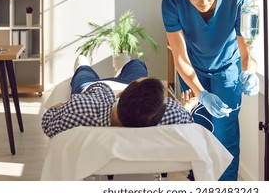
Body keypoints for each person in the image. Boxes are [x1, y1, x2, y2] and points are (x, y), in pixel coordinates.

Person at [161, 0, 259, 181]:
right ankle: (201, 182)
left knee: (226, 133)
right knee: (198, 128)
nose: (203, 1)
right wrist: (201, 93)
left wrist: (249, 73)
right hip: (192, 70)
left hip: (227, 69)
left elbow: (246, 52)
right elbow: (179, 56)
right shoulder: (172, 1)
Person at [41, 57, 194, 138]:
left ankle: (85, 64)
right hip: (128, 91)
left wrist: (59, 106)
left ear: (120, 95)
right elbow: (186, 121)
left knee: (83, 67)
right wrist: (185, 108)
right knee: (137, 64)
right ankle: (121, 72)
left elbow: (48, 122)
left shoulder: (79, 108)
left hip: (91, 87)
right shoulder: (173, 114)